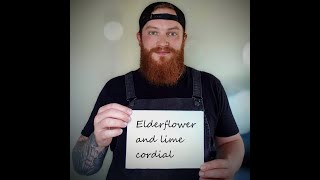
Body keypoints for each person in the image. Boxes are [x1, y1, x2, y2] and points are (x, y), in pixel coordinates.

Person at [72, 1, 244, 180]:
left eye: (172, 33)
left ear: (183, 39)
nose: (163, 42)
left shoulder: (210, 85)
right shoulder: (114, 88)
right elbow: (81, 167)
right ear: (140, 38)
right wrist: (97, 142)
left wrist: (230, 164)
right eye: (153, 32)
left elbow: (231, 141)